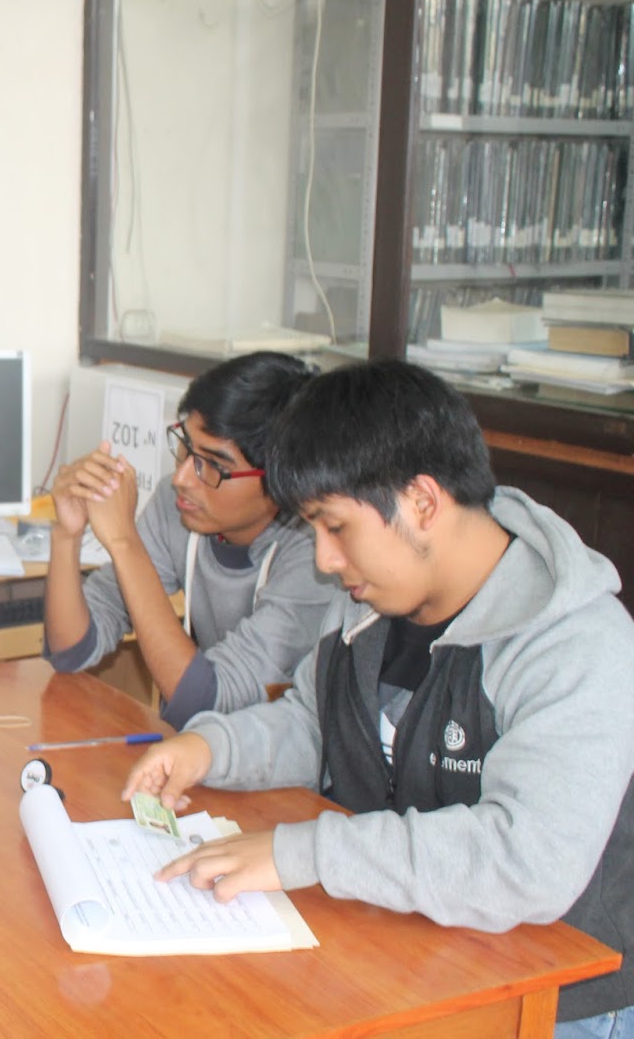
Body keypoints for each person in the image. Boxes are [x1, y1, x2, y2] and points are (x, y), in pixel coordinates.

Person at [123, 359, 634, 1034]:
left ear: (422, 502)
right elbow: (314, 723)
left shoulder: (576, 641)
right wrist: (210, 748)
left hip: (553, 999)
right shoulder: (376, 599)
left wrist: (300, 854)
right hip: (405, 950)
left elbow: (526, 862)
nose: (325, 560)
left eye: (335, 527)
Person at [43, 351, 334, 728]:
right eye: (185, 447)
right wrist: (66, 535)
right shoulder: (178, 508)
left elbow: (204, 701)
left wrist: (124, 542)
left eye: (214, 465)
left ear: (281, 480)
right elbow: (71, 650)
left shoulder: (317, 558)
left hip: (280, 759)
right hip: (205, 751)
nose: (181, 478)